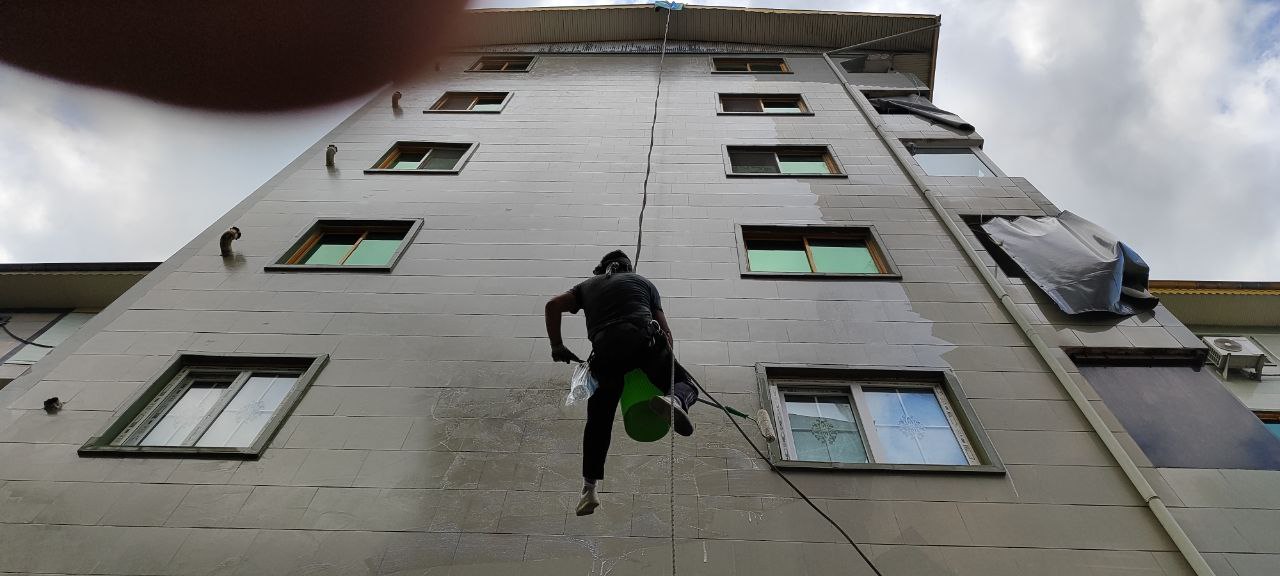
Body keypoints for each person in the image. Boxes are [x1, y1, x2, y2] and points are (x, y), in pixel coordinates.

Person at [545, 250, 697, 516]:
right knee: (686, 385)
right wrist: (664, 370)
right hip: (642, 340)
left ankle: (588, 490)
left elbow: (552, 305)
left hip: (605, 354)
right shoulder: (643, 283)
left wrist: (557, 346)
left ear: (602, 269)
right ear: (629, 267)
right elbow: (666, 332)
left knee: (599, 422)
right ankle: (674, 399)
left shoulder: (586, 286)